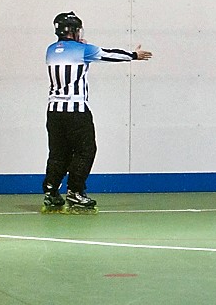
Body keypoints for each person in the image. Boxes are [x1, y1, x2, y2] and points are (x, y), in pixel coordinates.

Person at [42, 12, 152, 213]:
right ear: (74, 30)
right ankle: (75, 192)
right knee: (86, 151)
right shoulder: (83, 50)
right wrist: (133, 55)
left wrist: (80, 45)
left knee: (59, 153)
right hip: (76, 112)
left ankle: (51, 191)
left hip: (54, 112)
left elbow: (70, 53)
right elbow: (108, 54)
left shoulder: (50, 50)